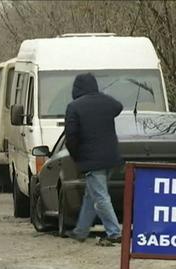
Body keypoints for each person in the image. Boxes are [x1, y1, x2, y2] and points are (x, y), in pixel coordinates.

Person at [64, 73, 123, 244]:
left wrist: (76, 155)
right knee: (91, 196)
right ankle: (81, 231)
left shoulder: (74, 107)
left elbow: (71, 136)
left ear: (76, 88)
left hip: (91, 158)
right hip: (111, 157)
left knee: (101, 196)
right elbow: (118, 106)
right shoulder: (107, 102)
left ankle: (114, 232)